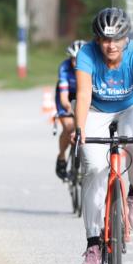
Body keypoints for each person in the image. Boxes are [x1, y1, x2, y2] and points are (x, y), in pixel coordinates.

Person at [72, 7, 133, 264]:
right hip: (96, 110)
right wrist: (79, 127)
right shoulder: (87, 54)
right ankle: (93, 244)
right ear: (97, 39)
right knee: (94, 169)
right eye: (105, 39)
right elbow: (84, 93)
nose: (111, 45)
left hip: (129, 107)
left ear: (126, 38)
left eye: (116, 39)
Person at [54, 40, 86, 180]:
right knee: (68, 126)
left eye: (79, 59)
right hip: (68, 97)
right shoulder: (65, 68)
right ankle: (61, 156)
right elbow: (64, 97)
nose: (75, 63)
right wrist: (71, 109)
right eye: (73, 59)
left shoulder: (91, 67)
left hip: (84, 96)